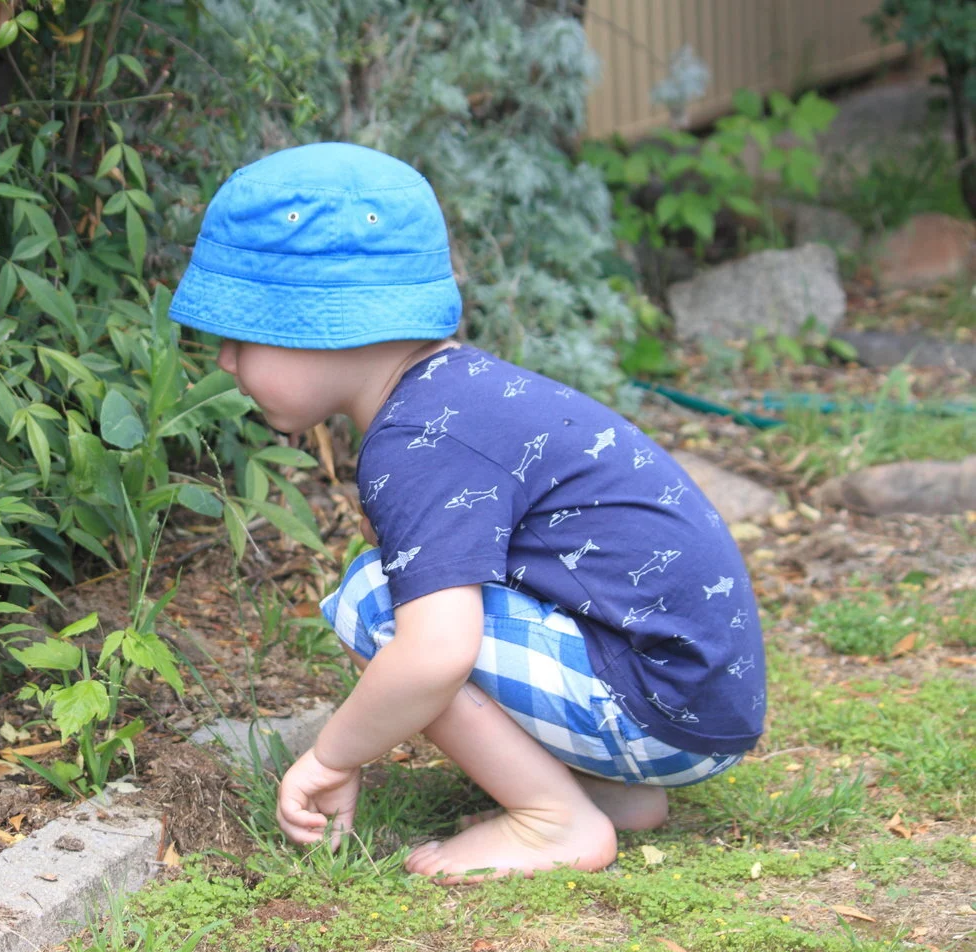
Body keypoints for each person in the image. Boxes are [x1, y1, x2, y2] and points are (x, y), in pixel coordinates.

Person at [167, 142, 766, 881]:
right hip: (694, 700)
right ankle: (611, 793)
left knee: (376, 602)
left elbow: (436, 652)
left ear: (326, 323)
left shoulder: (419, 437)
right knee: (422, 597)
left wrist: (332, 756)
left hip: (661, 705)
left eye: (243, 336)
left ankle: (554, 822)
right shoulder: (460, 396)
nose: (225, 362)